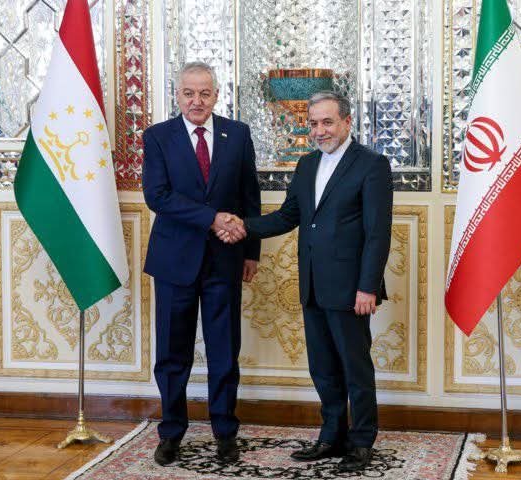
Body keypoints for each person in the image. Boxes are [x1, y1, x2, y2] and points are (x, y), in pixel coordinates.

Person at [218, 91, 393, 472]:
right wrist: (243, 226)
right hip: (312, 284)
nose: (319, 130)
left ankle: (362, 441)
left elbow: (378, 234)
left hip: (351, 288)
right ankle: (332, 436)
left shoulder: (372, 164)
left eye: (327, 122)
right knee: (323, 368)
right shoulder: (307, 164)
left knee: (355, 369)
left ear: (347, 122)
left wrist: (368, 286)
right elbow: (288, 216)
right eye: (313, 123)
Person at [142, 61, 261, 466]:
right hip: (174, 261)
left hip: (225, 260)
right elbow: (157, 196)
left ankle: (225, 432)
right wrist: (212, 218)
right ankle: (171, 432)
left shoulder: (237, 134)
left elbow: (249, 195)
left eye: (205, 93)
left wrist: (252, 251)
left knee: (224, 351)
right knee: (172, 354)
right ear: (178, 95)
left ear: (216, 95)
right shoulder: (158, 137)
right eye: (189, 93)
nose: (197, 101)